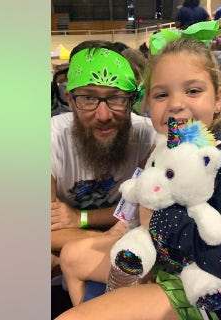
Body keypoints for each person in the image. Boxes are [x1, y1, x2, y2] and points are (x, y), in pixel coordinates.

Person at [56, 37, 221, 320]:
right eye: (161, 95)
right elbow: (140, 186)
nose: (175, 104)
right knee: (72, 256)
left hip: (200, 283)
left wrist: (160, 224)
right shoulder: (161, 145)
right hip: (158, 256)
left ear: (217, 101)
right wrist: (124, 224)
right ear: (147, 103)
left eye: (193, 90)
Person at [51, 40, 156, 274]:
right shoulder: (49, 138)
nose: (103, 115)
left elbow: (140, 212)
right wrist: (106, 236)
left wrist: (81, 218)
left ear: (131, 100)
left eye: (116, 97)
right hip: (116, 240)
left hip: (121, 244)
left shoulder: (149, 137)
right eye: (88, 98)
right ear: (69, 100)